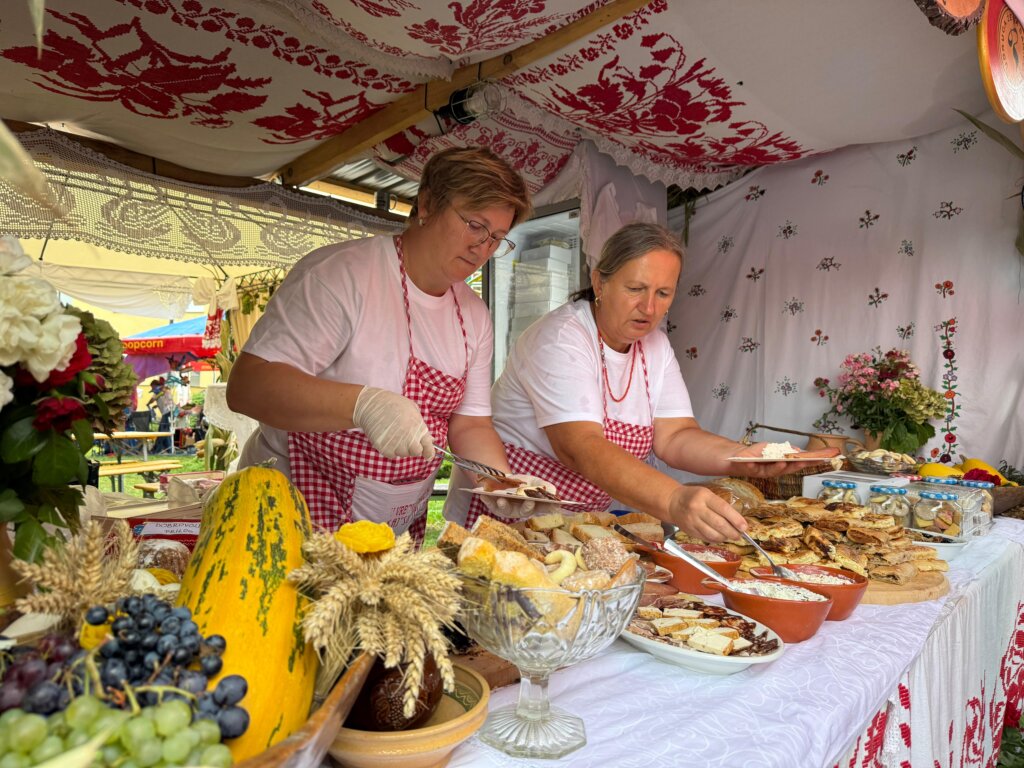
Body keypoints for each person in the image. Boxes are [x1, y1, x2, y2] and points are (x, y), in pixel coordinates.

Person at [227, 146, 546, 542]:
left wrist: (500, 480)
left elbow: (470, 422)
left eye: (498, 238)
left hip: (391, 531)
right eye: (474, 225)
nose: (483, 247)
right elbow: (248, 387)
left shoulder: (473, 315)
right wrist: (362, 405)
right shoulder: (343, 275)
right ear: (427, 204)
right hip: (292, 516)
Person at [447, 222, 838, 543]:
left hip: (578, 526)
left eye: (663, 293)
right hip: (508, 521)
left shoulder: (655, 347)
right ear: (600, 283)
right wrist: (674, 499)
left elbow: (676, 436)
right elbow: (579, 447)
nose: (649, 308)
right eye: (635, 289)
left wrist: (743, 458)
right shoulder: (564, 337)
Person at [147, 377, 175, 454]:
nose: (152, 389)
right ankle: (168, 448)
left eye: (152, 386)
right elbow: (161, 399)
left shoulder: (159, 391)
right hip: (168, 411)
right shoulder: (163, 391)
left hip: (167, 412)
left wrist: (148, 403)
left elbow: (153, 399)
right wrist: (157, 405)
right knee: (165, 430)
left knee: (162, 430)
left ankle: (158, 449)